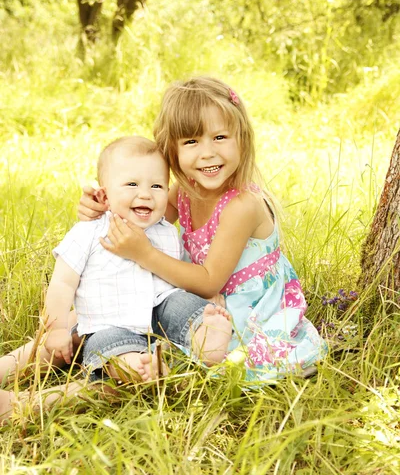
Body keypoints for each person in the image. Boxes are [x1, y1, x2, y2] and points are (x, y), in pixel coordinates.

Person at [78, 77, 327, 382]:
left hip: (245, 314)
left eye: (220, 137)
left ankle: (45, 397)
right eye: (191, 141)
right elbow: (136, 220)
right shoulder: (185, 191)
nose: (207, 153)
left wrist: (144, 253)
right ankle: (32, 353)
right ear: (173, 150)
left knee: (167, 361)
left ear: (242, 140)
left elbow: (210, 282)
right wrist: (99, 207)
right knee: (103, 322)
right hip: (199, 302)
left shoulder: (242, 205)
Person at [0, 135, 231, 421]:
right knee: (112, 345)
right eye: (132, 185)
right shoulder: (88, 232)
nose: (146, 194)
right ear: (105, 195)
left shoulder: (166, 230)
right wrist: (57, 328)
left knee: (183, 305)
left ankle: (208, 337)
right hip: (109, 322)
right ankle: (135, 365)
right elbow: (62, 283)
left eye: (157, 186)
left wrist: (201, 297)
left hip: (162, 309)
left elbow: (180, 272)